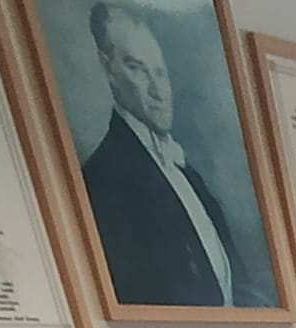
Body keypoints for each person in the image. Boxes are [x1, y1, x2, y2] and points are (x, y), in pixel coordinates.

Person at [77, 3, 258, 309]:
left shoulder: (186, 172)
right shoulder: (103, 180)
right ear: (108, 69)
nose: (158, 90)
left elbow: (237, 279)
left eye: (160, 72)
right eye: (137, 68)